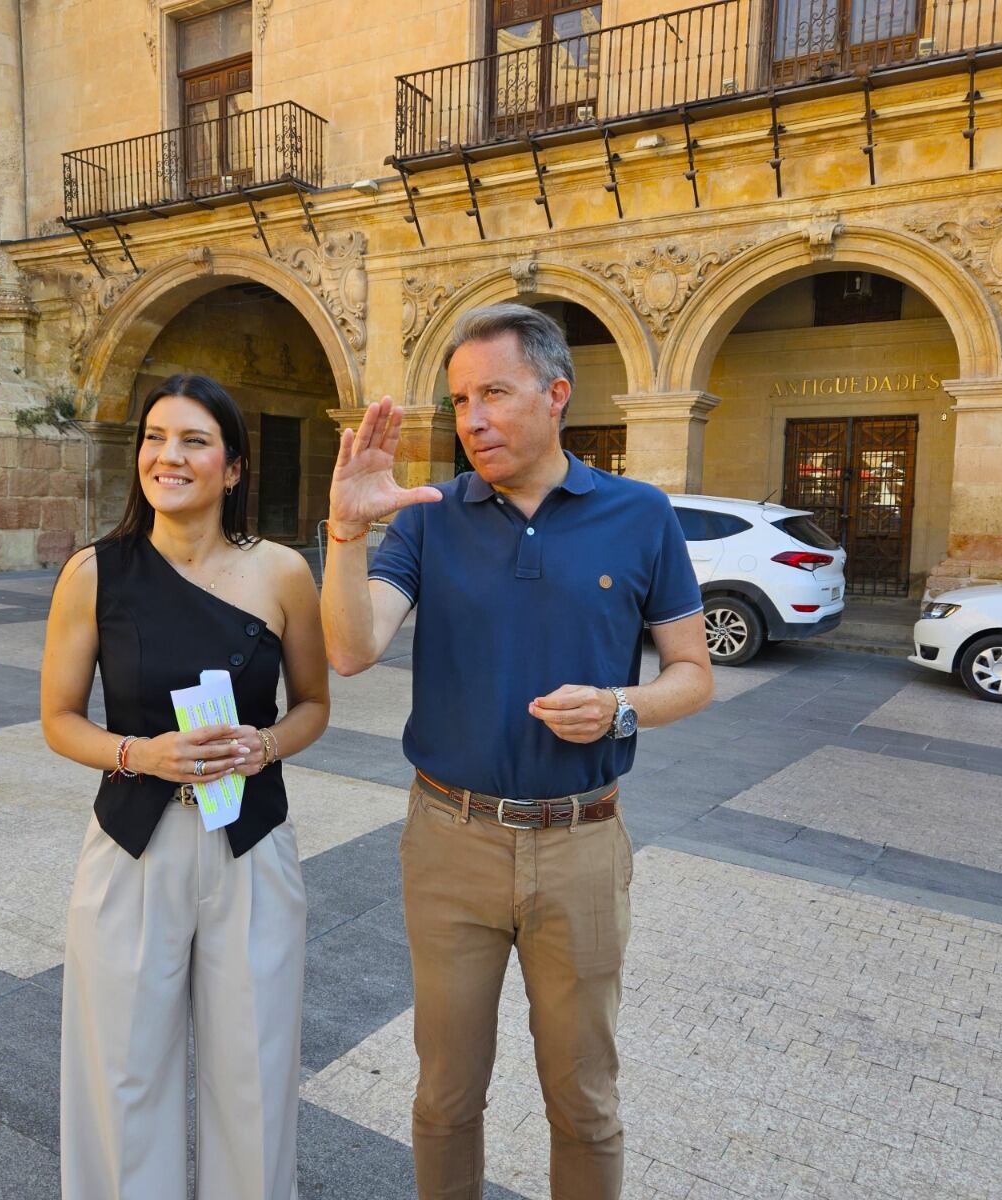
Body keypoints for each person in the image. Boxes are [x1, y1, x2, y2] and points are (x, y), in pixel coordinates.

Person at [320, 304, 714, 1200]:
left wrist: (621, 706)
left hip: (582, 843)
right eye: (460, 401)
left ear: (557, 394)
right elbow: (350, 649)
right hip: (450, 840)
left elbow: (691, 674)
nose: (473, 420)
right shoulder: (429, 517)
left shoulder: (641, 515)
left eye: (493, 393)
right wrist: (348, 534)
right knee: (445, 1097)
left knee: (584, 1101)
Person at [42, 373, 330, 1200]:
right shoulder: (94, 573)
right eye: (155, 437)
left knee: (255, 1072)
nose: (169, 456)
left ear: (234, 468)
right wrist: (143, 755)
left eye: (195, 440)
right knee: (124, 1074)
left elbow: (312, 705)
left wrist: (265, 744)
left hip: (251, 840)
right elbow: (60, 719)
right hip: (133, 842)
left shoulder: (281, 572)